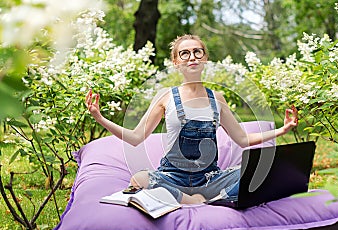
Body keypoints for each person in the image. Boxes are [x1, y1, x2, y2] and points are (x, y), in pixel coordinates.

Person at [85, 34, 298, 204]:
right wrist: (99, 116)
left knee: (263, 171)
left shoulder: (217, 98)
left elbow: (242, 139)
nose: (192, 57)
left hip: (209, 179)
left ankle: (204, 198)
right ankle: (199, 201)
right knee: (139, 180)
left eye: (197, 52)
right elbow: (135, 137)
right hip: (171, 178)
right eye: (185, 53)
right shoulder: (165, 96)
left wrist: (282, 130)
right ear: (176, 62)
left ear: (205, 58)